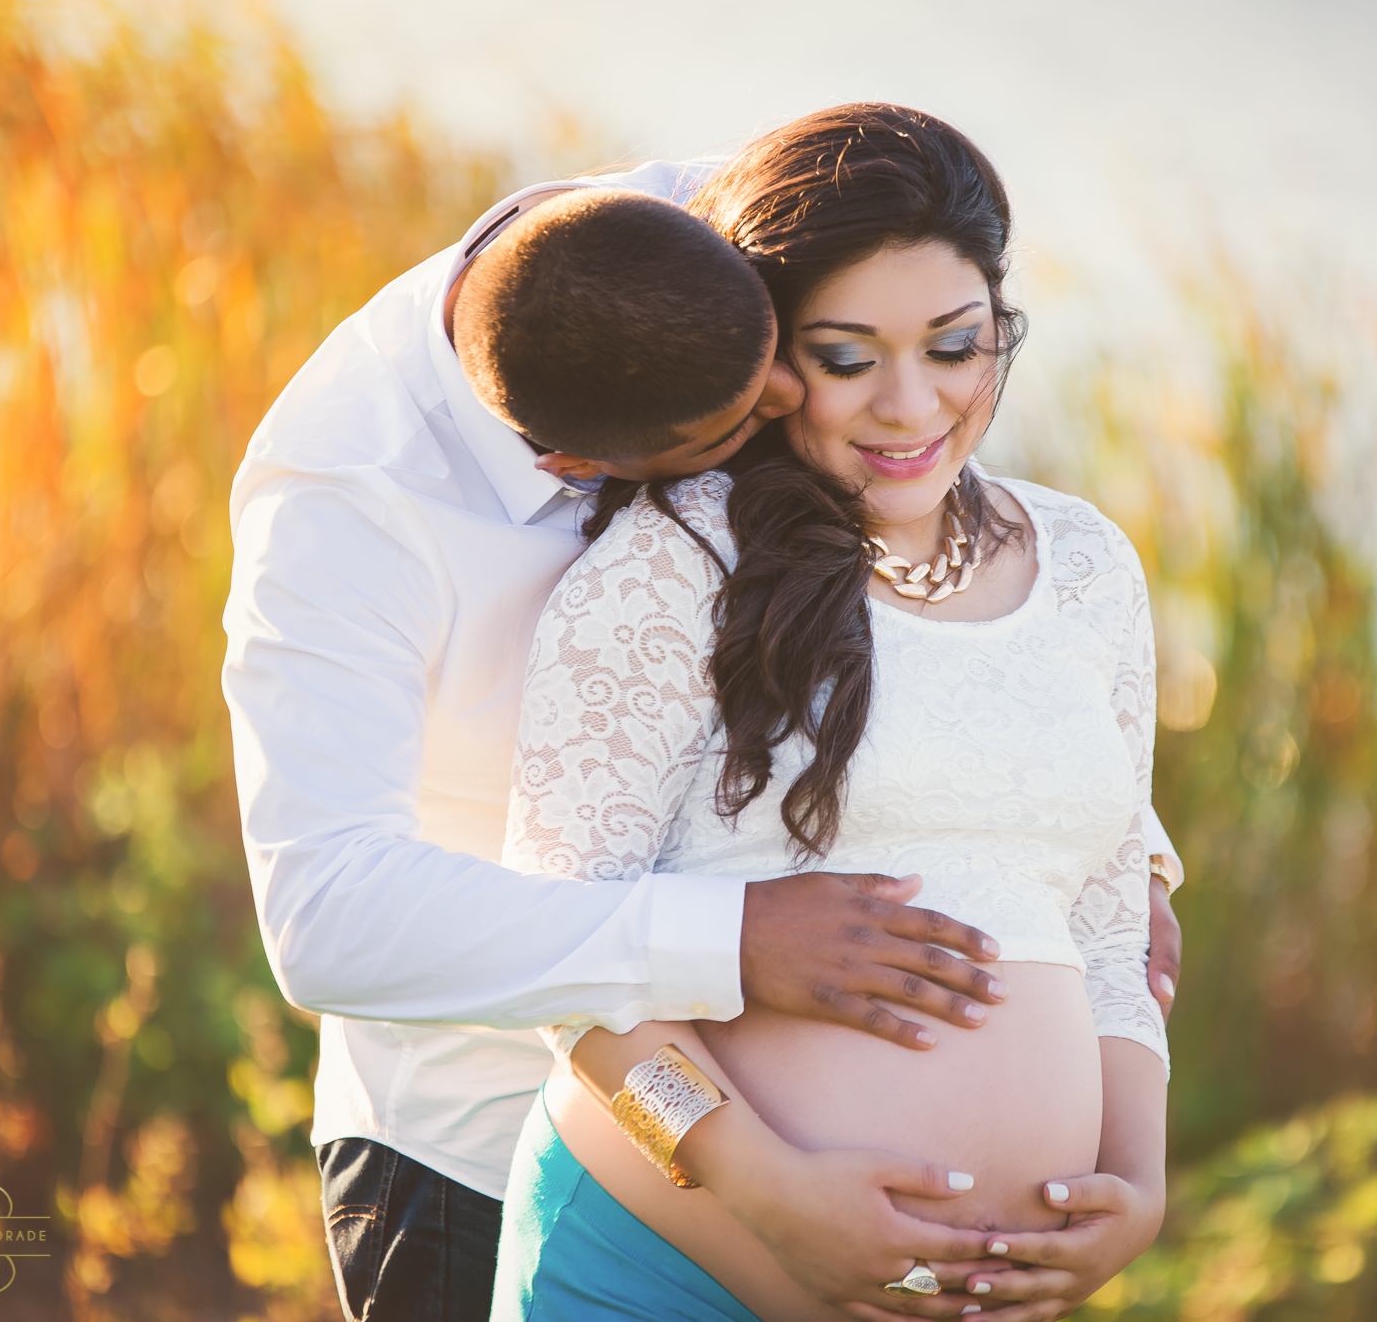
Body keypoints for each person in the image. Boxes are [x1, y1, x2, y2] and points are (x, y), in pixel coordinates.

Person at [222, 156, 1188, 1318]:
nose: (796, 416)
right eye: (740, 429)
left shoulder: (702, 225)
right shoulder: (347, 502)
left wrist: (1097, 840)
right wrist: (733, 945)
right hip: (476, 1142)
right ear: (583, 468)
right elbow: (331, 916)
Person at [491, 104, 1172, 1322]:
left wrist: (1137, 1180)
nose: (910, 407)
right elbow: (561, 960)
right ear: (765, 360)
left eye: (955, 346)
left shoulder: (1086, 561)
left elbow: (1111, 920)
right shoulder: (674, 565)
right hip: (667, 1269)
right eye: (848, 357)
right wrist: (761, 1187)